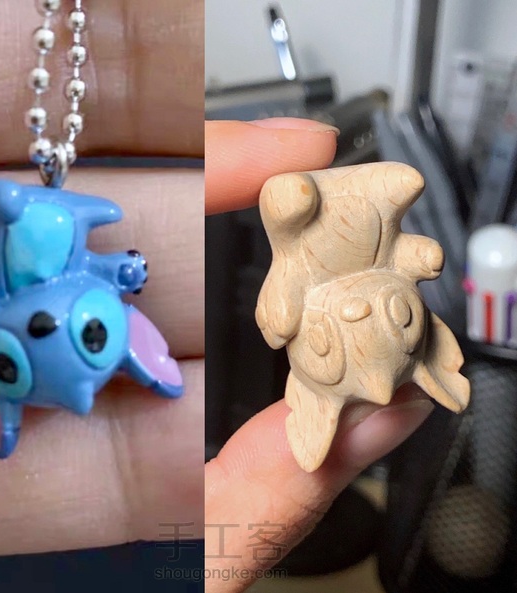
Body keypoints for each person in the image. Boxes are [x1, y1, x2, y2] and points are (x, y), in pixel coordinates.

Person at [0, 0, 204, 565]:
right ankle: (8, 409)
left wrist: (119, 269)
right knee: (21, 356)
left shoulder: (69, 260)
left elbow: (98, 268)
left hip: (84, 324)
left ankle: (137, 362)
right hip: (22, 349)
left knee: (108, 317)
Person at [205, 117, 435, 593]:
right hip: (346, 255)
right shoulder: (298, 262)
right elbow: (277, 322)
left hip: (361, 256)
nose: (355, 311)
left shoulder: (307, 258)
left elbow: (276, 321)